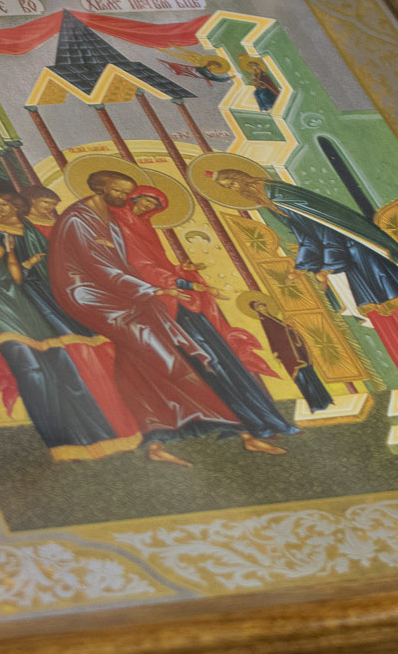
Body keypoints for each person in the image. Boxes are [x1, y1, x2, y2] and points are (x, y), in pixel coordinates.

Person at [47, 171, 293, 465]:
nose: (139, 204)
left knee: (175, 361)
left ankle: (236, 431)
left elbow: (142, 264)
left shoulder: (125, 223)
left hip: (150, 298)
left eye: (151, 204)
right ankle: (206, 433)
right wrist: (171, 285)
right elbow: (113, 267)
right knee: (172, 362)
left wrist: (179, 275)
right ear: (105, 189)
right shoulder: (93, 220)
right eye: (134, 197)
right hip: (118, 299)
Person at [210, 167, 398, 405]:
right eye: (227, 188)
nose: (234, 189)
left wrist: (327, 269)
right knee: (382, 321)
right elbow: (307, 237)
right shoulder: (272, 204)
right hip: (350, 265)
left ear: (242, 178)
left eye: (232, 183)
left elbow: (328, 232)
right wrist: (303, 267)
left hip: (365, 259)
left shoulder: (280, 194)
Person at [0, 183, 133, 460]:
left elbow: (14, 270)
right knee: (30, 368)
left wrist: (18, 263)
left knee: (61, 363)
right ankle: (60, 443)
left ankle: (98, 438)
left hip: (18, 299)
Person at [113, 188, 295, 441]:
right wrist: (184, 283)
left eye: (154, 204)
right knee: (206, 363)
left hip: (180, 301)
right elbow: (140, 267)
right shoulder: (120, 225)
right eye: (145, 200)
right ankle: (248, 423)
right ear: (133, 198)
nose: (148, 206)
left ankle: (258, 421)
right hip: (163, 305)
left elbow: (156, 265)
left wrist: (181, 270)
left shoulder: (145, 228)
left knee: (219, 360)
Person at [242, 294, 335, 413]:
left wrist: (290, 327)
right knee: (302, 377)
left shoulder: (272, 318)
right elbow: (275, 337)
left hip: (294, 350)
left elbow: (283, 332)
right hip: (288, 354)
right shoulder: (266, 322)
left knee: (309, 373)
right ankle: (316, 404)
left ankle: (324, 399)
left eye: (263, 306)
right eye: (260, 308)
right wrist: (287, 330)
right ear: (257, 311)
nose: (263, 309)